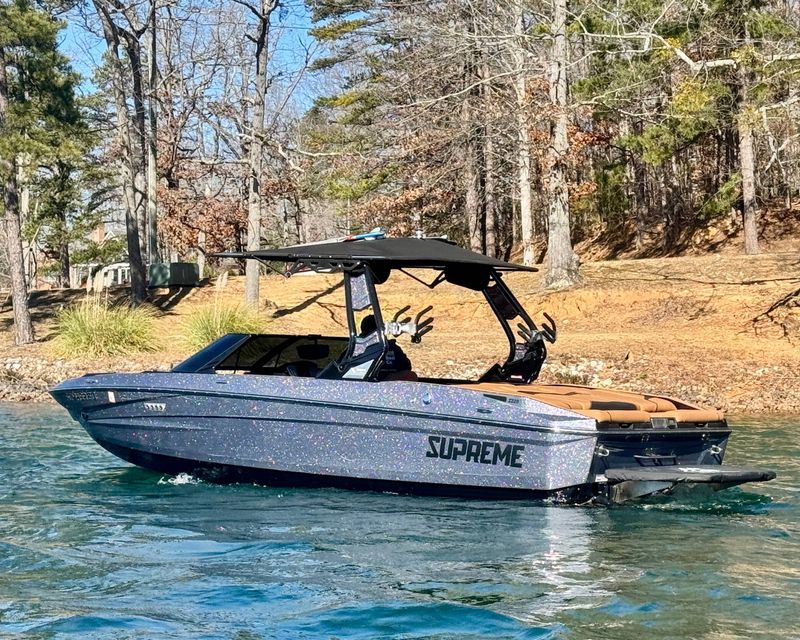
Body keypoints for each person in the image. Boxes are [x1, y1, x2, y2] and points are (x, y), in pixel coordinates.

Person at [359, 314, 416, 380]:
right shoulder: (359, 348)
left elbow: (406, 366)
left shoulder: (392, 347)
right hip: (368, 382)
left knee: (410, 375)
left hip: (390, 382)